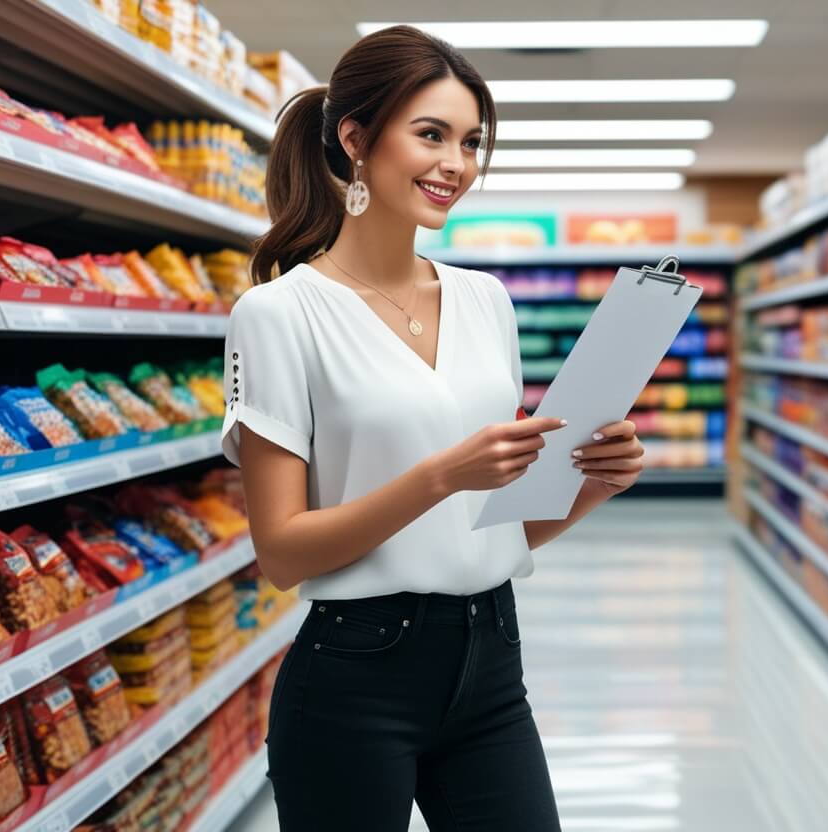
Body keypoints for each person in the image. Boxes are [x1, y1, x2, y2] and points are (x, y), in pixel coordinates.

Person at [221, 25, 647, 831]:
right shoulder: (278, 315)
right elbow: (281, 552)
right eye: (431, 135)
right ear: (355, 138)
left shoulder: (487, 301)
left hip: (491, 663)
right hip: (354, 677)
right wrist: (440, 475)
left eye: (470, 141)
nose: (456, 163)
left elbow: (492, 533)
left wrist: (594, 483)